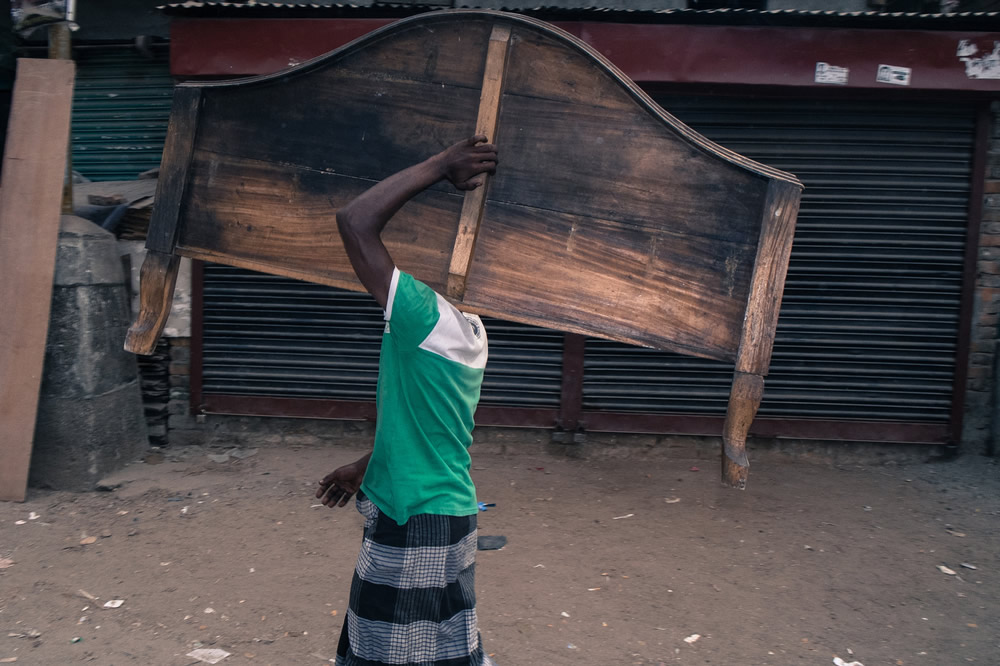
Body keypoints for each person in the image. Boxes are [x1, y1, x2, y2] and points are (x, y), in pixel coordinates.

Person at [315, 135, 499, 666]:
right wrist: (364, 467)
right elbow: (425, 431)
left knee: (381, 654)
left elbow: (355, 220)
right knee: (448, 653)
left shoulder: (427, 317)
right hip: (447, 516)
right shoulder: (469, 329)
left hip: (417, 521)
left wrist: (442, 165)